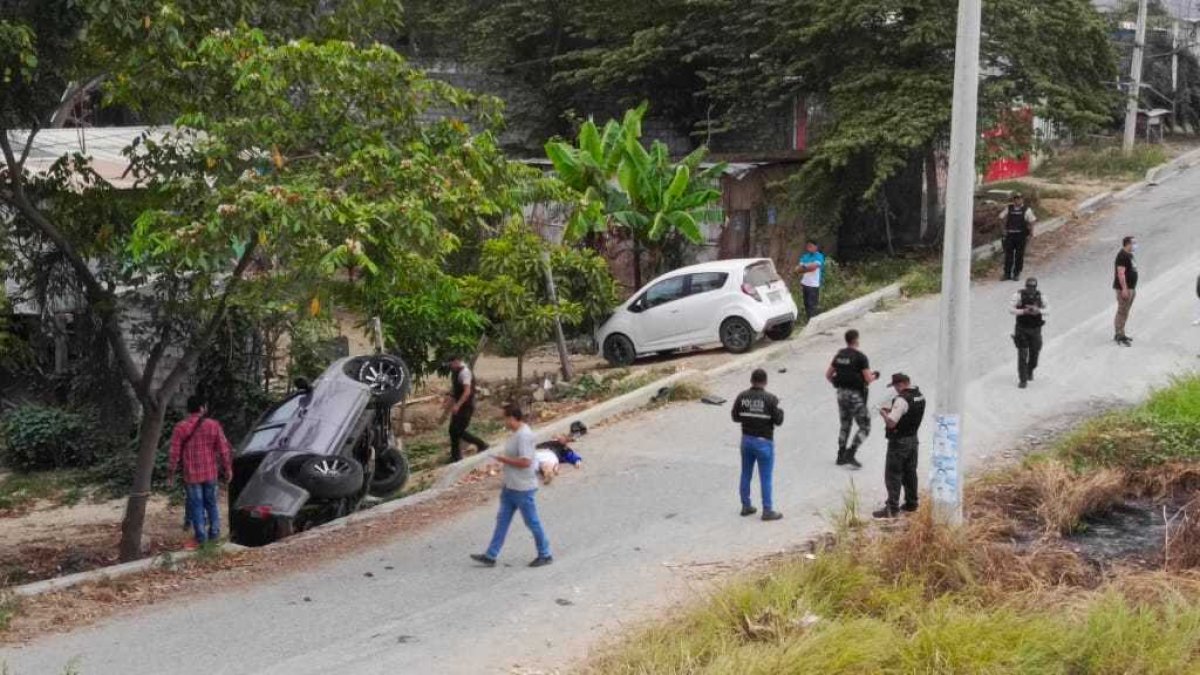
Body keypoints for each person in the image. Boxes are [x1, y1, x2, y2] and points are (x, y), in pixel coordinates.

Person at [470, 403, 553, 567]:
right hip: (510, 487)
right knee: (502, 520)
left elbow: (525, 461)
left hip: (523, 488)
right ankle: (491, 555)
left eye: (505, 418)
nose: (504, 422)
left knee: (532, 522)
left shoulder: (524, 436)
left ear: (512, 418)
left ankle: (545, 553)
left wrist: (503, 460)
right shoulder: (516, 434)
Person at [167, 396, 233, 549]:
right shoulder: (214, 425)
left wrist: (170, 473)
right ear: (202, 408)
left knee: (196, 505)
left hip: (192, 476)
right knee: (211, 504)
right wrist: (228, 468)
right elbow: (224, 449)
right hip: (210, 473)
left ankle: (201, 538)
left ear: (188, 409)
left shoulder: (180, 427)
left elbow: (174, 454)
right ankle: (215, 535)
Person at [731, 368, 784, 521]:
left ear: (751, 381)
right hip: (764, 442)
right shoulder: (771, 399)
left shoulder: (742, 397)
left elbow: (735, 417)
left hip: (746, 440)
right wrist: (779, 409)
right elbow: (779, 421)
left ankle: (746, 505)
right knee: (765, 477)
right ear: (765, 382)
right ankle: (767, 510)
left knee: (746, 473)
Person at [873, 373, 926, 519]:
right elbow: (908, 413)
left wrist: (884, 413)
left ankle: (892, 508)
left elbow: (891, 423)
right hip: (913, 439)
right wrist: (893, 411)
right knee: (910, 472)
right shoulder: (919, 395)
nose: (895, 389)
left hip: (899, 442)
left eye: (896, 386)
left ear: (901, 384)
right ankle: (911, 503)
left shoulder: (902, 399)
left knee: (893, 475)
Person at [825, 329, 880, 468]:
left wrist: (838, 383)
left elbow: (828, 375)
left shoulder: (839, 355)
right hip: (855, 395)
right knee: (865, 425)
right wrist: (875, 376)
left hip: (841, 393)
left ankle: (840, 455)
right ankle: (851, 453)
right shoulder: (860, 357)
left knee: (845, 424)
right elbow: (868, 378)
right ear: (856, 340)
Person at [445, 356, 489, 462]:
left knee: (458, 431)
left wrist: (458, 405)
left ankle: (481, 444)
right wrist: (448, 403)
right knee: (452, 430)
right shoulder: (455, 372)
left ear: (456, 361)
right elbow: (454, 390)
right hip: (459, 406)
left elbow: (467, 391)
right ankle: (455, 456)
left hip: (466, 406)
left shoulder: (465, 372)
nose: (450, 367)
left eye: (451, 364)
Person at [1009, 277, 1048, 389]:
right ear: (1026, 286)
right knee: (1022, 355)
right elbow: (1010, 309)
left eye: (1033, 287)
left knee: (1035, 354)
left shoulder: (1041, 297)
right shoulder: (1018, 295)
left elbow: (1049, 309)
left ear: (1036, 287)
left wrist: (1038, 310)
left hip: (1035, 329)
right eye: (1029, 286)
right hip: (1022, 328)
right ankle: (1023, 379)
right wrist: (1023, 311)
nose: (1031, 289)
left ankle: (1030, 369)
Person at [999, 193, 1037, 281]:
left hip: (1021, 236)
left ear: (1022, 200)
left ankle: (1017, 273)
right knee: (1008, 256)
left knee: (1019, 255)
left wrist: (1031, 233)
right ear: (1013, 200)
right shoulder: (1009, 208)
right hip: (1010, 235)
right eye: (1015, 199)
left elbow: (1032, 221)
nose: (1017, 201)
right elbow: (1000, 218)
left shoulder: (1027, 210)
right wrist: (1003, 230)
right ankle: (1007, 274)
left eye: (1019, 199)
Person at [1113, 236, 1138, 346]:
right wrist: (1124, 288)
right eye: (1134, 243)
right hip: (1125, 289)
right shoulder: (1122, 256)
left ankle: (1122, 332)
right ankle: (1119, 335)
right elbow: (1121, 273)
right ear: (1127, 244)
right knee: (1122, 311)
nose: (1136, 245)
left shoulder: (1129, 255)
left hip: (1131, 287)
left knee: (1125, 311)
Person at [794, 240, 826, 321]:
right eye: (808, 246)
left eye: (811, 246)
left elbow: (814, 267)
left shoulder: (819, 256)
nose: (809, 248)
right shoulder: (805, 256)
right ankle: (809, 321)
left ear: (816, 247)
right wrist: (807, 267)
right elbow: (798, 269)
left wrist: (804, 267)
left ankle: (814, 321)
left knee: (813, 304)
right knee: (806, 304)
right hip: (805, 283)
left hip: (814, 284)